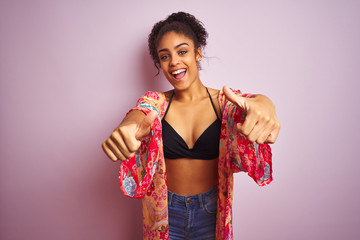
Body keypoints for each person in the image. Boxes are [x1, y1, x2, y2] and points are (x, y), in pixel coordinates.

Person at [102, 12, 280, 240]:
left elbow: (253, 103)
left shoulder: (223, 103)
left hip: (210, 211)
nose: (174, 61)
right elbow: (140, 113)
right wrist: (127, 127)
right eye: (164, 56)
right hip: (166, 212)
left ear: (198, 53)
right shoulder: (158, 103)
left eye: (182, 51)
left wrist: (266, 104)